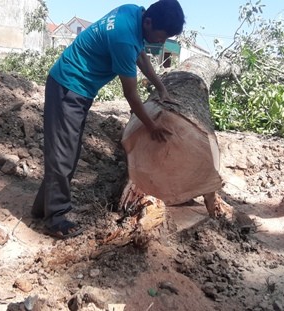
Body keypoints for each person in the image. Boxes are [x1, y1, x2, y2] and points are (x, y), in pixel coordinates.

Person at [30, 0, 185, 239]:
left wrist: (161, 88)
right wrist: (151, 126)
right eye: (161, 36)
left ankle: (42, 209)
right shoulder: (124, 37)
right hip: (69, 87)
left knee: (67, 150)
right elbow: (131, 95)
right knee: (64, 154)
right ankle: (56, 218)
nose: (162, 42)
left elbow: (141, 56)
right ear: (149, 22)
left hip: (77, 88)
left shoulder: (132, 12)